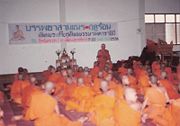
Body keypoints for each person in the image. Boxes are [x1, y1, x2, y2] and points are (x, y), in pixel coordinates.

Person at [13, 81, 85, 126]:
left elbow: (31, 112)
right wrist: (61, 115)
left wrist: (23, 116)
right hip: (51, 122)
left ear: (44, 87)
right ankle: (79, 122)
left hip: (38, 123)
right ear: (53, 90)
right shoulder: (53, 100)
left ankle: (21, 117)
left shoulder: (34, 97)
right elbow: (58, 114)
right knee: (64, 120)